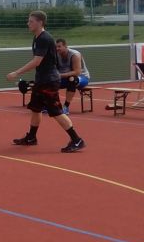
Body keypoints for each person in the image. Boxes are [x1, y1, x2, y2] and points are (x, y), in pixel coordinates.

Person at [6, 10, 85, 153]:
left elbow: (37, 61)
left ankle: (77, 140)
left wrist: (17, 73)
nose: (28, 23)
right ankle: (31, 137)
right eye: (28, 21)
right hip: (41, 80)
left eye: (31, 21)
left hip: (49, 81)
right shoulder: (37, 37)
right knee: (35, 109)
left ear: (40, 22)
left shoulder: (44, 38)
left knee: (56, 112)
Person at [56, 38, 90, 115]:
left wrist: (60, 75)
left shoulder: (75, 55)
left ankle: (66, 107)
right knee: (49, 81)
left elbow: (77, 72)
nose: (57, 49)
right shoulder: (56, 55)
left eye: (59, 46)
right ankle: (53, 105)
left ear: (65, 46)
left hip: (81, 77)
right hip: (64, 77)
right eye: (56, 47)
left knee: (72, 79)